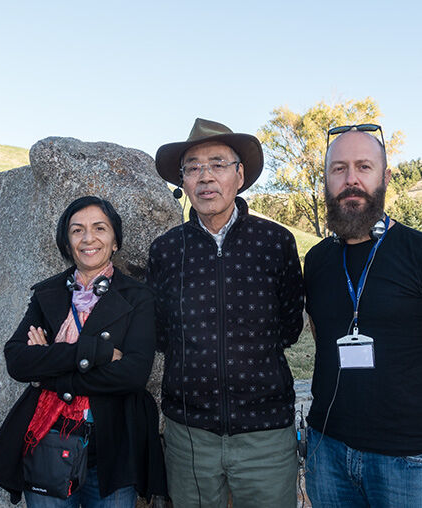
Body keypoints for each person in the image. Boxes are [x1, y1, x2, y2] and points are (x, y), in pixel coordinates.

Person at [303, 126, 422, 507]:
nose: (350, 179)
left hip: (406, 459)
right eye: (338, 169)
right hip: (328, 449)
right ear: (326, 179)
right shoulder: (317, 260)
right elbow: (322, 337)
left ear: (385, 177)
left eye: (364, 167)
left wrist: (412, 402)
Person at [146, 118, 304, 507]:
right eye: (193, 167)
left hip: (266, 432)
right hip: (189, 437)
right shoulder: (166, 250)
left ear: (240, 175)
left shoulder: (275, 243)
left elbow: (289, 327)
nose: (205, 177)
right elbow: (162, 334)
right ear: (182, 181)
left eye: (217, 164)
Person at [0, 196, 167, 507]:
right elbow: (17, 360)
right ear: (67, 242)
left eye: (100, 228)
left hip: (114, 447)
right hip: (49, 442)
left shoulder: (138, 297)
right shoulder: (47, 293)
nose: (88, 238)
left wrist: (50, 367)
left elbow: (133, 375)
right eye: (77, 230)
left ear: (115, 240)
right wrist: (98, 352)